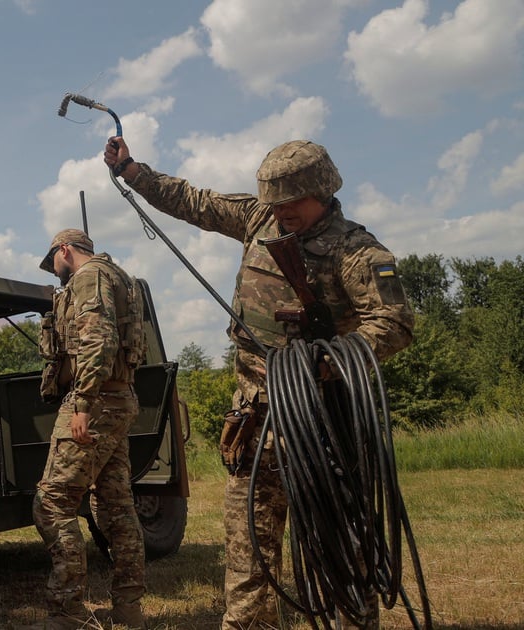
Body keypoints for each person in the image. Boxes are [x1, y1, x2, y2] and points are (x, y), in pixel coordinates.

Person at [103, 138, 415, 629]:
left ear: (321, 191)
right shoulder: (259, 220)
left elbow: (395, 323)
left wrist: (322, 360)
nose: (281, 211)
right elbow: (196, 202)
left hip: (326, 427)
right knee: (248, 553)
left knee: (341, 552)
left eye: (291, 201)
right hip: (257, 423)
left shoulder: (357, 251)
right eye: (275, 201)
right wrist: (136, 173)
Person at [31, 228, 148, 629]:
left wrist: (81, 403)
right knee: (117, 506)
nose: (55, 271)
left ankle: (67, 613)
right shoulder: (121, 277)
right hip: (118, 399)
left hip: (94, 403)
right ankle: (129, 611)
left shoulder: (88, 276)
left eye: (54, 263)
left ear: (65, 250)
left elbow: (99, 340)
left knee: (52, 503)